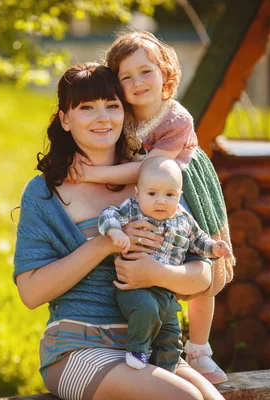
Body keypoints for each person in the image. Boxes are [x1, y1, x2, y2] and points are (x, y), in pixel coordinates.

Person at [14, 62, 224, 400]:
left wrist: (158, 272)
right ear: (65, 119)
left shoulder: (152, 180)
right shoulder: (45, 194)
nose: (103, 117)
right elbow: (31, 293)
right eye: (87, 108)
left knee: (212, 398)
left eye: (112, 106)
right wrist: (103, 244)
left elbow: (202, 276)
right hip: (77, 349)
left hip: (153, 346)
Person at [66, 30, 235, 384]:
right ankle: (159, 335)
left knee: (201, 264)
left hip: (181, 187)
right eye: (125, 77)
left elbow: (148, 166)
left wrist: (94, 174)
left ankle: (200, 348)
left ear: (166, 73)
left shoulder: (177, 119)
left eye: (146, 71)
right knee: (156, 258)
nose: (137, 82)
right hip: (146, 194)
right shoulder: (122, 114)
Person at [98, 157, 231, 371]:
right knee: (146, 309)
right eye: (152, 194)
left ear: (179, 196)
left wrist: (214, 248)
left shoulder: (184, 219)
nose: (161, 201)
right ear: (138, 194)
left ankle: (168, 369)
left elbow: (198, 240)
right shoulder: (133, 210)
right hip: (136, 286)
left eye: (169, 195)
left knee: (171, 332)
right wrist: (115, 231)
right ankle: (138, 350)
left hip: (167, 291)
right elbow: (108, 214)